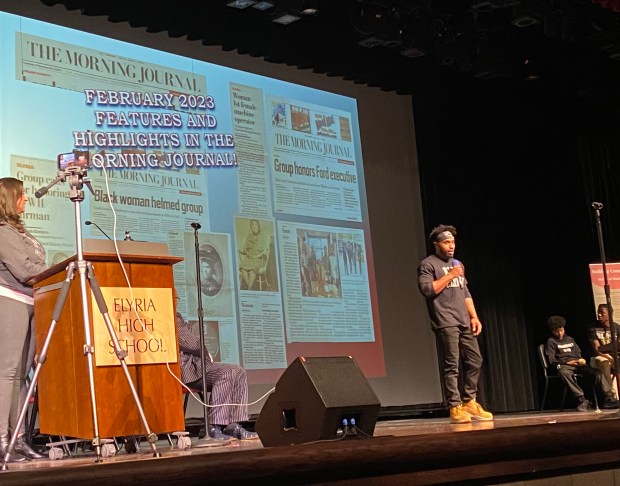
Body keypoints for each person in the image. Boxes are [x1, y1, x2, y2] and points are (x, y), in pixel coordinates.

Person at [417, 224, 493, 424]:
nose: (451, 246)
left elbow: (465, 293)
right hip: (445, 320)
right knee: (452, 365)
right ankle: (455, 407)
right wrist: (450, 275)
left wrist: (474, 317)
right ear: (436, 244)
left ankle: (469, 400)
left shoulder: (458, 263)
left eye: (452, 242)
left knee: (475, 360)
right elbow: (427, 289)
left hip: (463, 319)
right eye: (446, 242)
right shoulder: (428, 264)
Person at [0, 178, 48, 461]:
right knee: (6, 373)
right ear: (9, 198)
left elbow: (34, 265)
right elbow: (22, 269)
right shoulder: (3, 230)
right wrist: (51, 269)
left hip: (33, 302)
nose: (26, 199)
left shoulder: (20, 230)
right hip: (11, 301)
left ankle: (19, 439)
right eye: (22, 195)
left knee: (22, 376)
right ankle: (2, 441)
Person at [175, 294, 258, 440]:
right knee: (226, 373)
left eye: (177, 298)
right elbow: (192, 344)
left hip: (194, 365)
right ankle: (213, 426)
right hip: (184, 369)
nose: (176, 300)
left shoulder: (177, 315)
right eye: (175, 297)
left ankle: (233, 425)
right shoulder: (170, 317)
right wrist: (205, 353)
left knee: (239, 371)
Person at [545, 315, 609, 411]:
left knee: (597, 373)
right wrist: (567, 362)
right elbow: (551, 360)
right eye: (556, 331)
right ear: (552, 331)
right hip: (565, 366)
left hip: (578, 364)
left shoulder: (570, 339)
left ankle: (609, 397)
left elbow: (578, 353)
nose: (559, 333)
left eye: (561, 330)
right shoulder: (551, 342)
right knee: (564, 372)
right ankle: (582, 399)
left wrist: (578, 361)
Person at [588, 304, 620, 408]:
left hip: (614, 357)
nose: (599, 315)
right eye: (598, 312)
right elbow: (597, 349)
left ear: (609, 314)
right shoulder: (593, 328)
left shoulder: (616, 328)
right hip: (598, 358)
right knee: (604, 362)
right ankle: (609, 396)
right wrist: (610, 357)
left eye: (602, 313)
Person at [238, 219, 267, 291]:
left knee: (252, 271)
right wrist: (247, 254)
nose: (254, 227)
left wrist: (256, 256)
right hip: (249, 258)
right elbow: (245, 248)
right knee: (242, 268)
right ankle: (251, 288)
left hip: (258, 259)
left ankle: (249, 289)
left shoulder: (263, 236)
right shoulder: (249, 236)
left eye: (256, 225)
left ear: (259, 226)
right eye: (252, 225)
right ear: (251, 227)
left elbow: (265, 251)